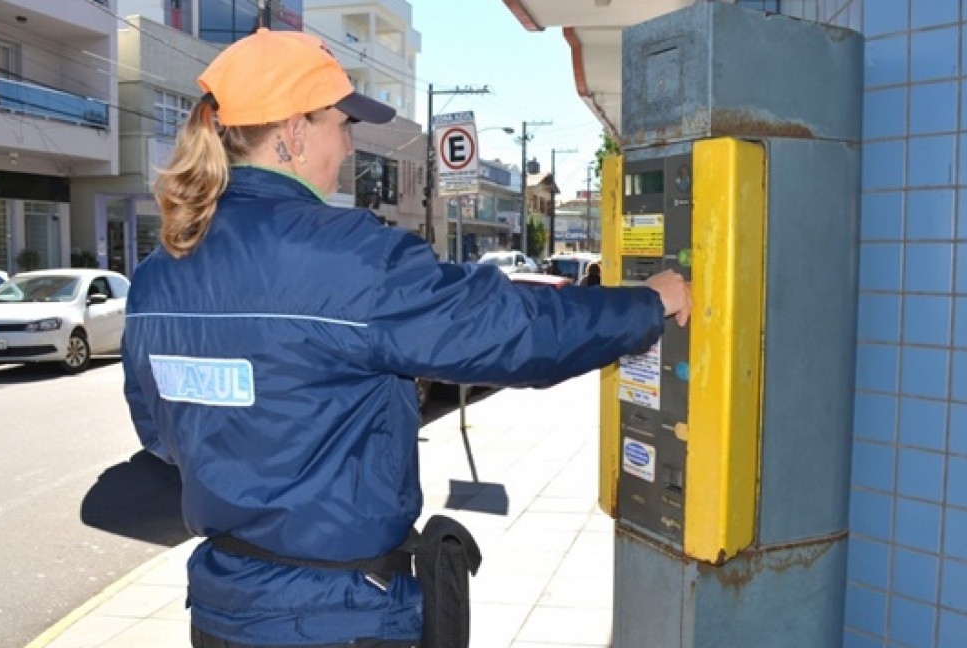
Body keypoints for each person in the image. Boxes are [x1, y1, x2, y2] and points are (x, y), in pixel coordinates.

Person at [121, 28, 691, 648]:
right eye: (341, 124)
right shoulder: (350, 256)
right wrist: (648, 302)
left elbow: (159, 435)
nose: (347, 145)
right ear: (292, 135)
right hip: (339, 619)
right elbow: (512, 331)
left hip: (220, 615)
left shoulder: (157, 277)